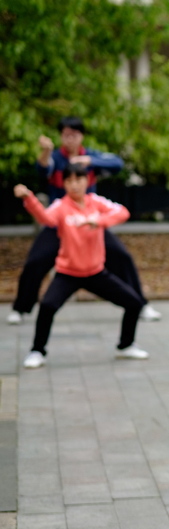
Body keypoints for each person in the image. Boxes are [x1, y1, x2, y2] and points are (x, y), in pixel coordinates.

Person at [9, 116, 161, 326]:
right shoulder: (56, 158)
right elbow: (43, 169)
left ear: (81, 136)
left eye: (75, 134)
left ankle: (140, 303)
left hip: (91, 223)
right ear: (61, 136)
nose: (70, 139)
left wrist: (89, 161)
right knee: (36, 260)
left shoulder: (90, 156)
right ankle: (21, 308)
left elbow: (117, 163)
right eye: (66, 135)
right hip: (60, 222)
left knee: (120, 255)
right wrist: (45, 151)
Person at [14, 166, 149, 369]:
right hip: (67, 274)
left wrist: (98, 221)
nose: (74, 184)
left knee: (134, 303)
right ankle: (37, 351)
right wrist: (29, 199)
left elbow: (123, 212)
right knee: (48, 307)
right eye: (68, 181)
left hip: (96, 273)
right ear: (63, 184)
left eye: (78, 179)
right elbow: (45, 218)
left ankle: (126, 345)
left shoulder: (96, 202)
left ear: (87, 181)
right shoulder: (61, 206)